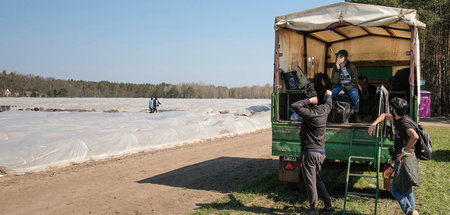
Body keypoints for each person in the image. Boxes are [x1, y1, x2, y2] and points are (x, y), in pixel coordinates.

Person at [368, 97, 419, 215]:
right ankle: (412, 212)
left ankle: (409, 210)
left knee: (395, 190)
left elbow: (415, 136)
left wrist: (404, 151)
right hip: (405, 157)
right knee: (406, 187)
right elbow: (385, 115)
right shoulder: (399, 118)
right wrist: (373, 124)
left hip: (404, 159)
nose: (390, 108)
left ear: (395, 110)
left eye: (391, 107)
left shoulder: (404, 123)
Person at [291, 90, 334, 215]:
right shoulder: (324, 110)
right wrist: (329, 95)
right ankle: (328, 205)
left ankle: (314, 209)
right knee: (317, 180)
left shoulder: (308, 114)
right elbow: (329, 103)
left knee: (310, 182)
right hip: (320, 152)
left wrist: (309, 100)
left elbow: (294, 106)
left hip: (309, 153)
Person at [331, 49, 361, 122]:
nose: (338, 58)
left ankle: (356, 113)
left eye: (341, 57)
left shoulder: (352, 67)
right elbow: (334, 81)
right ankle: (331, 113)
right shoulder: (335, 67)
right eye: (337, 57)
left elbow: (355, 82)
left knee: (355, 97)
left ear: (345, 58)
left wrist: (345, 89)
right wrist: (338, 70)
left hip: (351, 86)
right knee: (327, 96)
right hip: (339, 86)